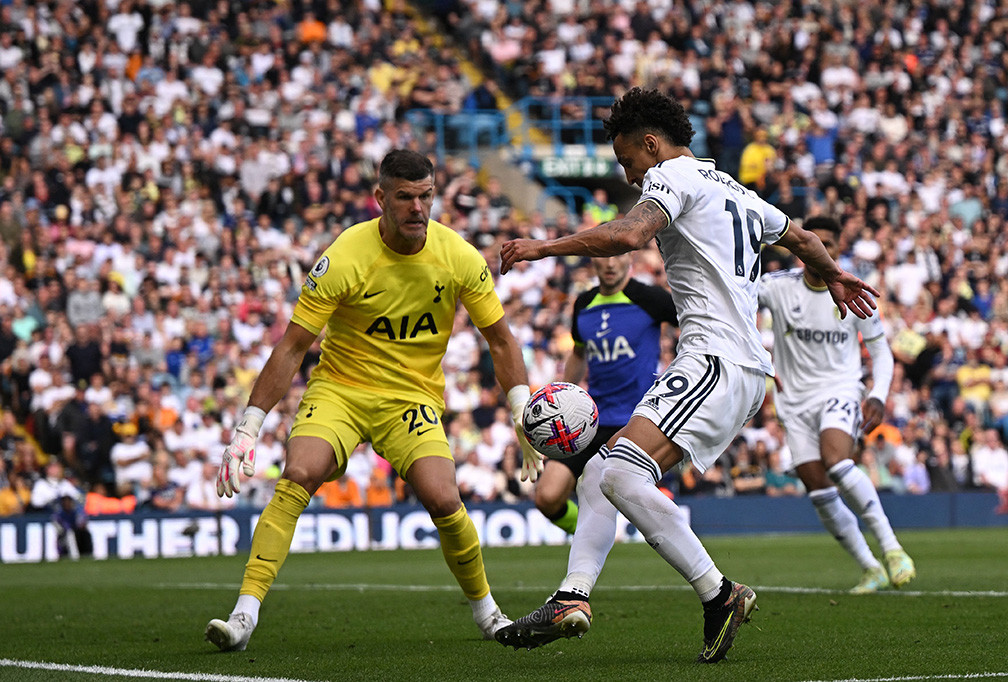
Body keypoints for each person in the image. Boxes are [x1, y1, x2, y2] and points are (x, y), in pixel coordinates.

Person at [496, 88, 878, 662]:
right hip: (735, 367)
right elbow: (801, 239)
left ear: (651, 144)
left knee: (621, 474)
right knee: (602, 470)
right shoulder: (735, 190)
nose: (628, 174)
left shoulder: (672, 175)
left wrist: (542, 247)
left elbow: (627, 235)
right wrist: (839, 276)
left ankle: (718, 593)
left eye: (627, 161)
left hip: (716, 361)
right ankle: (572, 596)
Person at [205, 150, 542, 651]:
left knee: (444, 498)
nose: (417, 208)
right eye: (404, 197)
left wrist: (522, 409)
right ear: (380, 198)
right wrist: (248, 428)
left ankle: (489, 612)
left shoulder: (459, 257)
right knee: (299, 473)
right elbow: (294, 345)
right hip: (341, 389)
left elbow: (500, 340)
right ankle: (244, 614)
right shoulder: (344, 256)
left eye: (426, 196)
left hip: (410, 397)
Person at [758, 215, 915, 594]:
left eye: (829, 243)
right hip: (793, 402)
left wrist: (877, 393)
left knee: (838, 461)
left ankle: (893, 549)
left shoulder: (855, 290)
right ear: (800, 247)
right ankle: (870, 567)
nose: (821, 250)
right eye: (814, 242)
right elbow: (734, 295)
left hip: (840, 390)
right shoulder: (776, 288)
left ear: (838, 249)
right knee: (816, 486)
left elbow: (881, 352)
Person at [535, 252, 677, 535]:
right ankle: (593, 537)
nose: (610, 263)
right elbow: (578, 353)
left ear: (630, 259)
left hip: (638, 421)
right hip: (592, 420)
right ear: (593, 261)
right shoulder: (584, 303)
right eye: (603, 256)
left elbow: (693, 325)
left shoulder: (651, 299)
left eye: (617, 255)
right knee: (547, 497)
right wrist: (564, 398)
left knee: (621, 492)